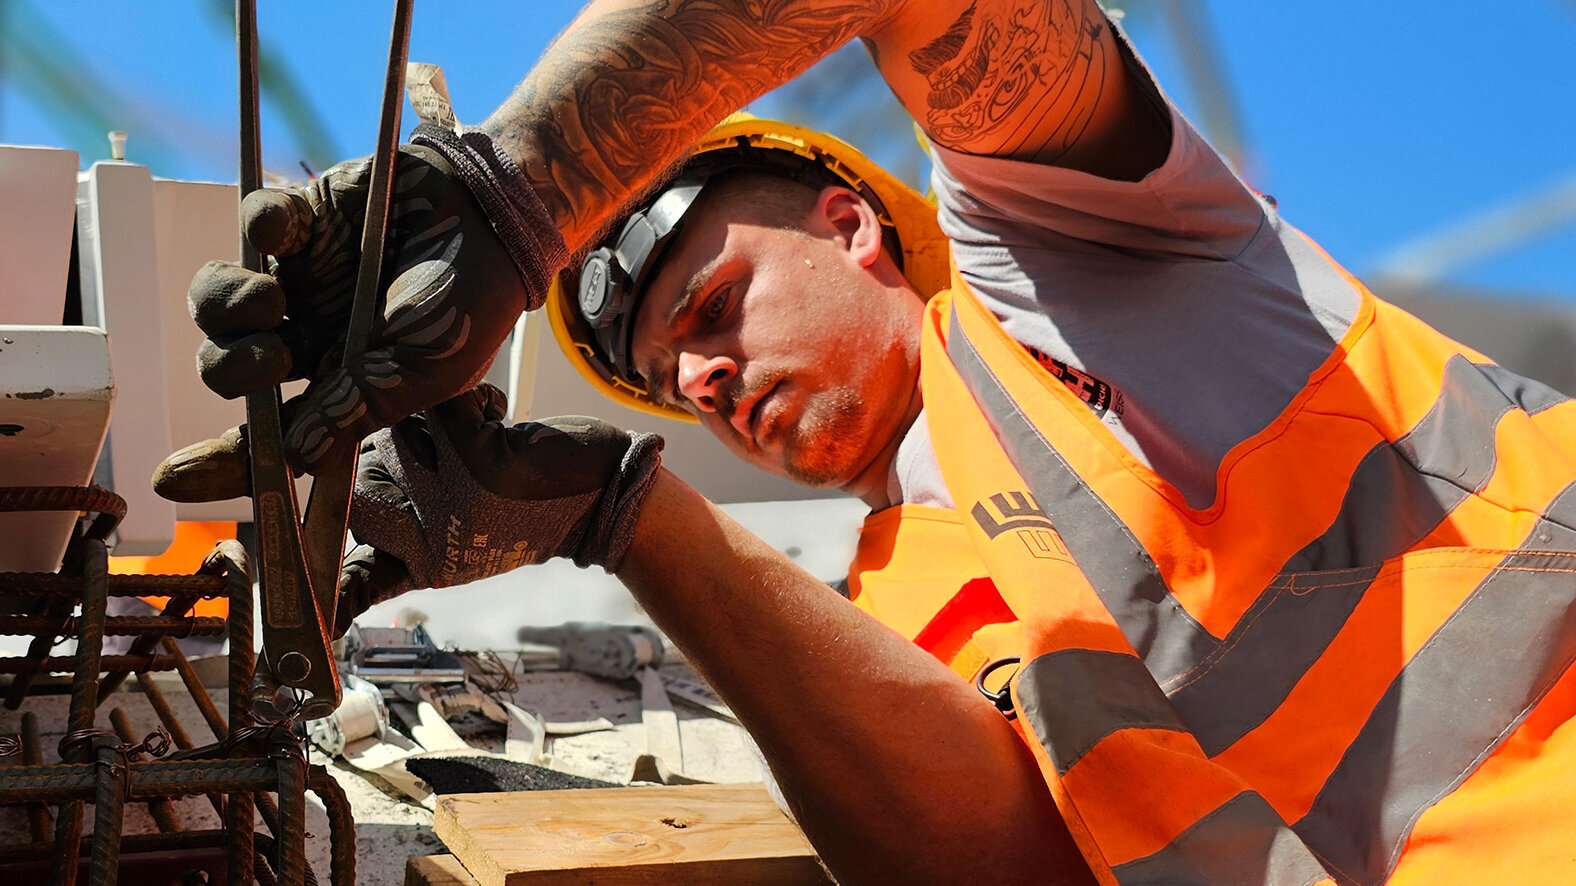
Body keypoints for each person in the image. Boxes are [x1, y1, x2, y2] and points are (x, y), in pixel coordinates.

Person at [156, 1, 1576, 883]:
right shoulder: (877, 606)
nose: (702, 376)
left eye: (715, 309)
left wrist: (527, 190)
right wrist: (628, 515)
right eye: (666, 378)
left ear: (854, 224)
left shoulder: (1086, 274)